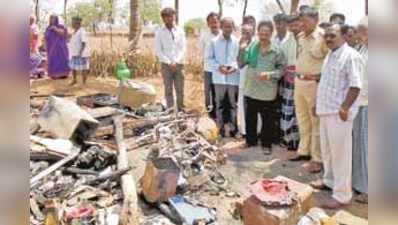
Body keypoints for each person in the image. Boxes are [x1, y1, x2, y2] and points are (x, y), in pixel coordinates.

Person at [311, 23, 363, 209]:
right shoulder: (330, 55)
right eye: (326, 35)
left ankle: (342, 196)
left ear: (343, 35)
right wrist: (317, 103)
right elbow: (326, 82)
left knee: (340, 155)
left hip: (338, 114)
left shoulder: (351, 56)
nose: (328, 38)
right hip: (326, 111)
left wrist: (345, 107)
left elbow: (356, 85)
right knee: (327, 150)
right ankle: (329, 181)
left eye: (332, 35)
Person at [289, 7, 329, 174]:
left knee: (316, 122)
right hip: (299, 82)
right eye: (301, 21)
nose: (302, 24)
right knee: (302, 118)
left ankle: (317, 158)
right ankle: (303, 151)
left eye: (305, 21)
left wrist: (321, 78)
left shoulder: (323, 38)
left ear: (316, 19)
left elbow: (330, 61)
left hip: (314, 84)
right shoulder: (300, 37)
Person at [239, 21, 286, 154]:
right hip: (251, 89)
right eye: (261, 32)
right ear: (258, 32)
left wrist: (270, 74)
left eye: (267, 32)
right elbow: (241, 64)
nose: (263, 35)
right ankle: (250, 141)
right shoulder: (252, 46)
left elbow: (282, 69)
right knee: (250, 118)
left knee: (267, 120)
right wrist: (242, 49)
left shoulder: (277, 50)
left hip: (267, 92)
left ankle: (266, 144)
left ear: (271, 33)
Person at [206, 17, 240, 137]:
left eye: (230, 26)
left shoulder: (237, 42)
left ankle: (233, 129)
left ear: (233, 28)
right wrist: (219, 67)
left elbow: (238, 59)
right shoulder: (214, 42)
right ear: (221, 27)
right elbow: (209, 59)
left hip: (233, 78)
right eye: (225, 26)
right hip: (219, 77)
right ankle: (220, 130)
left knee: (233, 105)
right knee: (219, 105)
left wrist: (233, 67)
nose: (228, 29)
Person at [273, 13, 300, 151]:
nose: (294, 27)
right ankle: (289, 139)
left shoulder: (305, 39)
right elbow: (281, 62)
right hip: (288, 81)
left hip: (304, 81)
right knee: (288, 110)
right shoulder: (287, 42)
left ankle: (298, 141)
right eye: (291, 25)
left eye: (296, 24)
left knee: (299, 112)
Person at [155, 8, 187, 111]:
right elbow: (158, 51)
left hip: (179, 64)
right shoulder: (159, 32)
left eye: (171, 16)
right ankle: (170, 110)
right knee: (168, 89)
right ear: (163, 19)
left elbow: (183, 48)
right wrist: (169, 62)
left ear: (174, 17)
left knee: (180, 89)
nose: (170, 18)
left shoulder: (180, 31)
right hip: (166, 65)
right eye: (167, 16)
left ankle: (181, 109)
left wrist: (176, 61)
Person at [352, 16, 368, 204]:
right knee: (360, 147)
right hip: (360, 103)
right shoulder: (363, 49)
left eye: (362, 33)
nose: (360, 36)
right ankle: (360, 184)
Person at [199, 12, 220, 119]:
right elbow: (202, 51)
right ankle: (210, 114)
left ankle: (218, 114)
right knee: (208, 92)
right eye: (211, 22)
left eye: (215, 21)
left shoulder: (223, 34)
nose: (214, 24)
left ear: (219, 22)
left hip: (221, 70)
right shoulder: (204, 35)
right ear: (208, 24)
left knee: (218, 92)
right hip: (208, 69)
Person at [237, 23, 255, 136]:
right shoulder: (240, 45)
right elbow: (240, 64)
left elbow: (251, 62)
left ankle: (254, 131)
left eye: (248, 33)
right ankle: (244, 131)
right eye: (243, 32)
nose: (245, 35)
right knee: (242, 106)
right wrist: (242, 49)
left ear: (252, 33)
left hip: (254, 81)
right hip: (243, 79)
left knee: (253, 107)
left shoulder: (256, 44)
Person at [44, 14, 70, 79]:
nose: (52, 20)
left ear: (57, 19)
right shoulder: (48, 28)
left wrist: (55, 29)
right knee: (53, 60)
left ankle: (63, 74)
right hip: (51, 48)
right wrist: (45, 46)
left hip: (61, 48)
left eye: (53, 18)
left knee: (62, 60)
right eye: (51, 18)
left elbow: (63, 33)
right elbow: (45, 37)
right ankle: (54, 75)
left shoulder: (61, 26)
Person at [69, 16, 90, 85]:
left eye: (73, 22)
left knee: (83, 67)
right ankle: (74, 80)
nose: (72, 24)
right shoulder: (75, 31)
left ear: (77, 23)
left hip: (82, 53)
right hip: (75, 52)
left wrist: (81, 52)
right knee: (73, 67)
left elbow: (84, 42)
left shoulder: (82, 31)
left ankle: (84, 82)